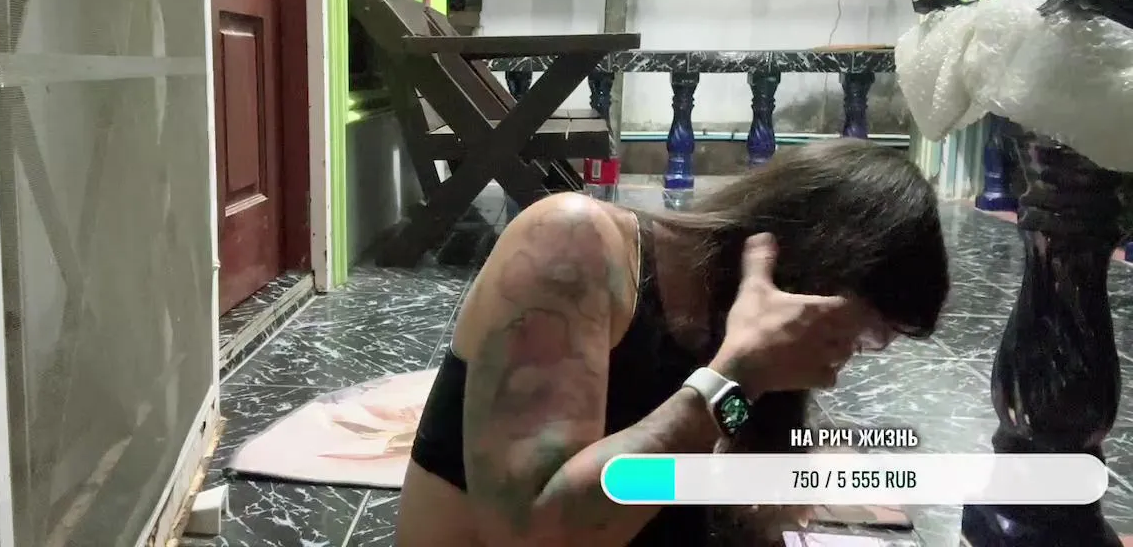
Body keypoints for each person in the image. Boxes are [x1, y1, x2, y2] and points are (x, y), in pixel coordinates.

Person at [394, 138, 950, 547]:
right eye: (855, 333)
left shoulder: (726, 326)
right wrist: (735, 380)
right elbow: (537, 535)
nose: (840, 360)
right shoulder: (573, 243)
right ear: (821, 269)